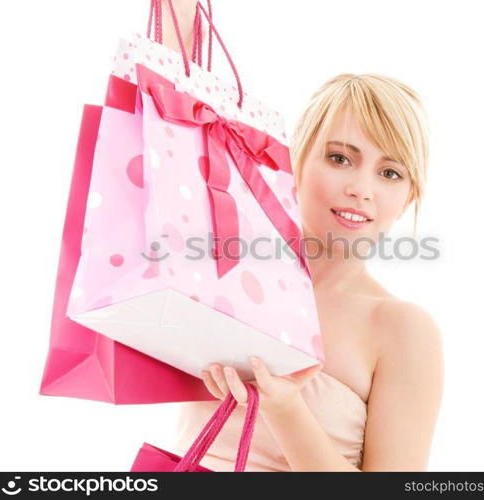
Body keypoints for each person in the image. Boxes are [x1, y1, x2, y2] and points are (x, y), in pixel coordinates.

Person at [162, 0, 444, 472]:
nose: (361, 189)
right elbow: (173, 108)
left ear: (408, 199)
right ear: (295, 162)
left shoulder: (402, 331)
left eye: (390, 173)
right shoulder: (231, 270)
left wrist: (286, 408)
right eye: (339, 158)